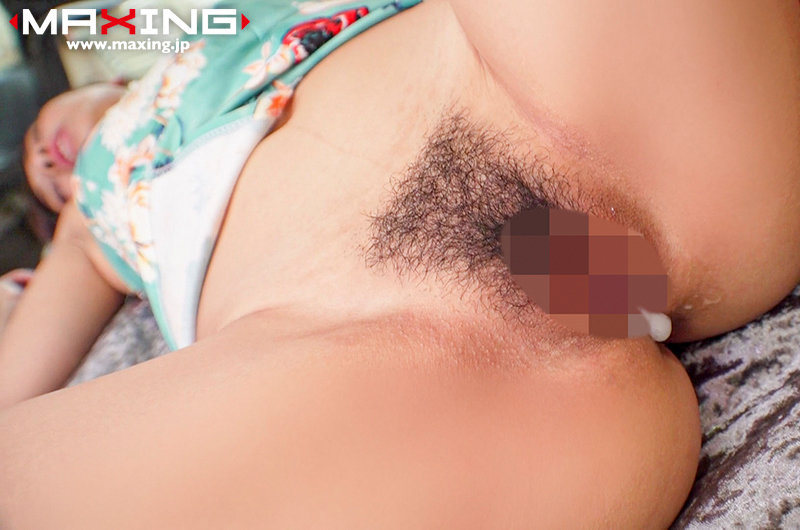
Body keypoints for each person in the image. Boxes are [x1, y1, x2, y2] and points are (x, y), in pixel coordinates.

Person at [0, 0, 798, 526]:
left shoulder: (212, 32)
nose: (46, 155)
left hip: (549, 90)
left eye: (41, 132)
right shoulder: (90, 225)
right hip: (369, 342)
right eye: (43, 173)